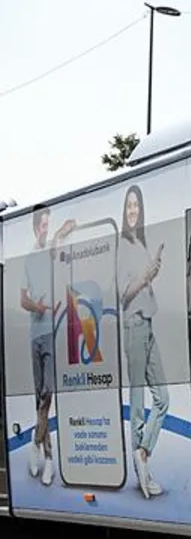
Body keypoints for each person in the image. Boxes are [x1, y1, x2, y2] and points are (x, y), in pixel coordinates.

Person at [119, 185, 169, 499]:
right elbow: (123, 295)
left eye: (137, 205)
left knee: (163, 398)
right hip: (133, 326)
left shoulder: (140, 242)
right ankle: (143, 467)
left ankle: (143, 453)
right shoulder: (123, 246)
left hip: (148, 324)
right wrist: (145, 276)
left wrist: (152, 273)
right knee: (138, 403)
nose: (133, 210)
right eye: (129, 206)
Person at [20, 206, 75, 487]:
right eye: (42, 225)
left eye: (47, 224)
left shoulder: (50, 253)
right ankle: (50, 458)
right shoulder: (29, 260)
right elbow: (23, 300)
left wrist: (64, 229)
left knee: (48, 393)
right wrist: (37, 306)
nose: (45, 229)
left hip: (52, 333)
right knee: (39, 397)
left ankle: (34, 442)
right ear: (34, 228)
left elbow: (60, 239)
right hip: (34, 334)